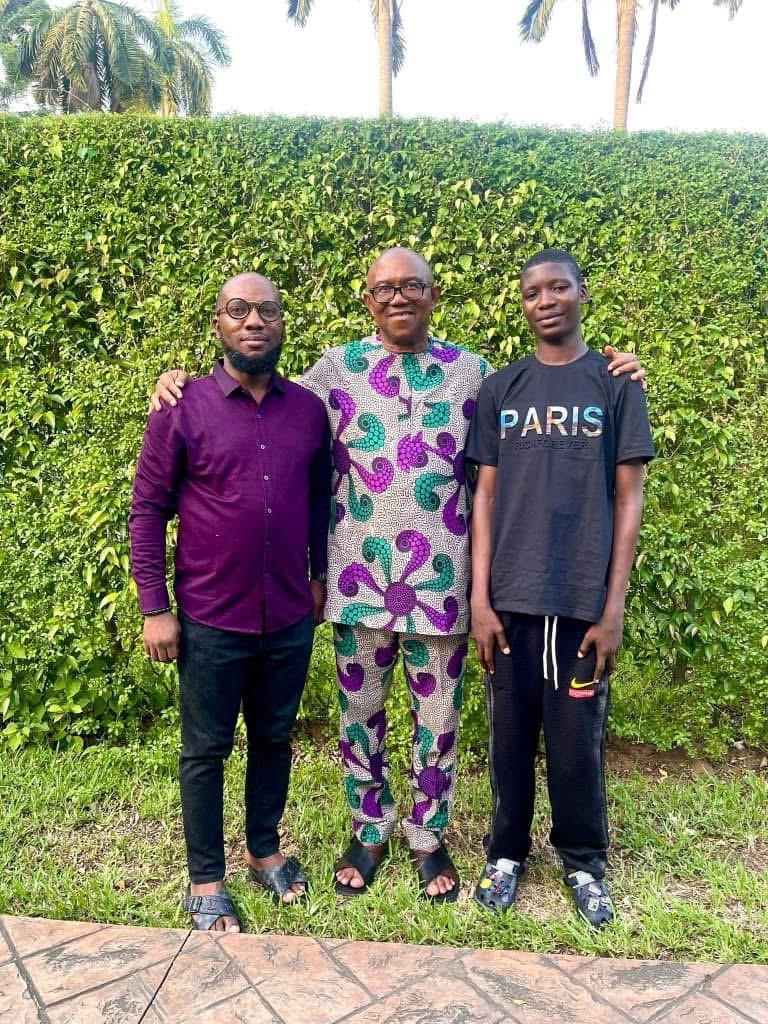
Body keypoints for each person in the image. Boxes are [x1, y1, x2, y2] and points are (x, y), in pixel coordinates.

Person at [151, 248, 646, 902]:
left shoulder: (475, 374)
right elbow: (260, 395)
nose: (398, 298)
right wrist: (176, 381)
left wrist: (616, 370)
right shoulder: (334, 371)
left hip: (442, 587)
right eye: (383, 289)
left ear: (434, 294)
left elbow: (542, 396)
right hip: (356, 584)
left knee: (437, 722)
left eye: (412, 286)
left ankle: (427, 834)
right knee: (360, 718)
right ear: (367, 301)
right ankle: (370, 829)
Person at [130, 272, 331, 932]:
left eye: (266, 310)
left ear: (281, 323)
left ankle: (264, 850)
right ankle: (206, 878)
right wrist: (155, 608)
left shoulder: (308, 411)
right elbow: (147, 510)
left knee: (274, 738)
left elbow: (319, 503)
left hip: (289, 615)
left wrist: (319, 576)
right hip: (211, 617)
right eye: (237, 310)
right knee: (205, 750)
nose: (253, 321)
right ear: (218, 322)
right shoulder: (181, 406)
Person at [466, 248, 655, 926]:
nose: (545, 300)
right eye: (532, 292)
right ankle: (505, 855)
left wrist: (613, 606)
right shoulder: (503, 388)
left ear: (581, 293)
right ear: (522, 305)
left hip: (580, 601)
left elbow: (629, 498)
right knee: (509, 738)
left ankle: (583, 861)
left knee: (577, 742)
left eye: (558, 288)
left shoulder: (616, 384)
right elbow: (484, 498)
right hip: (510, 599)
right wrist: (480, 599)